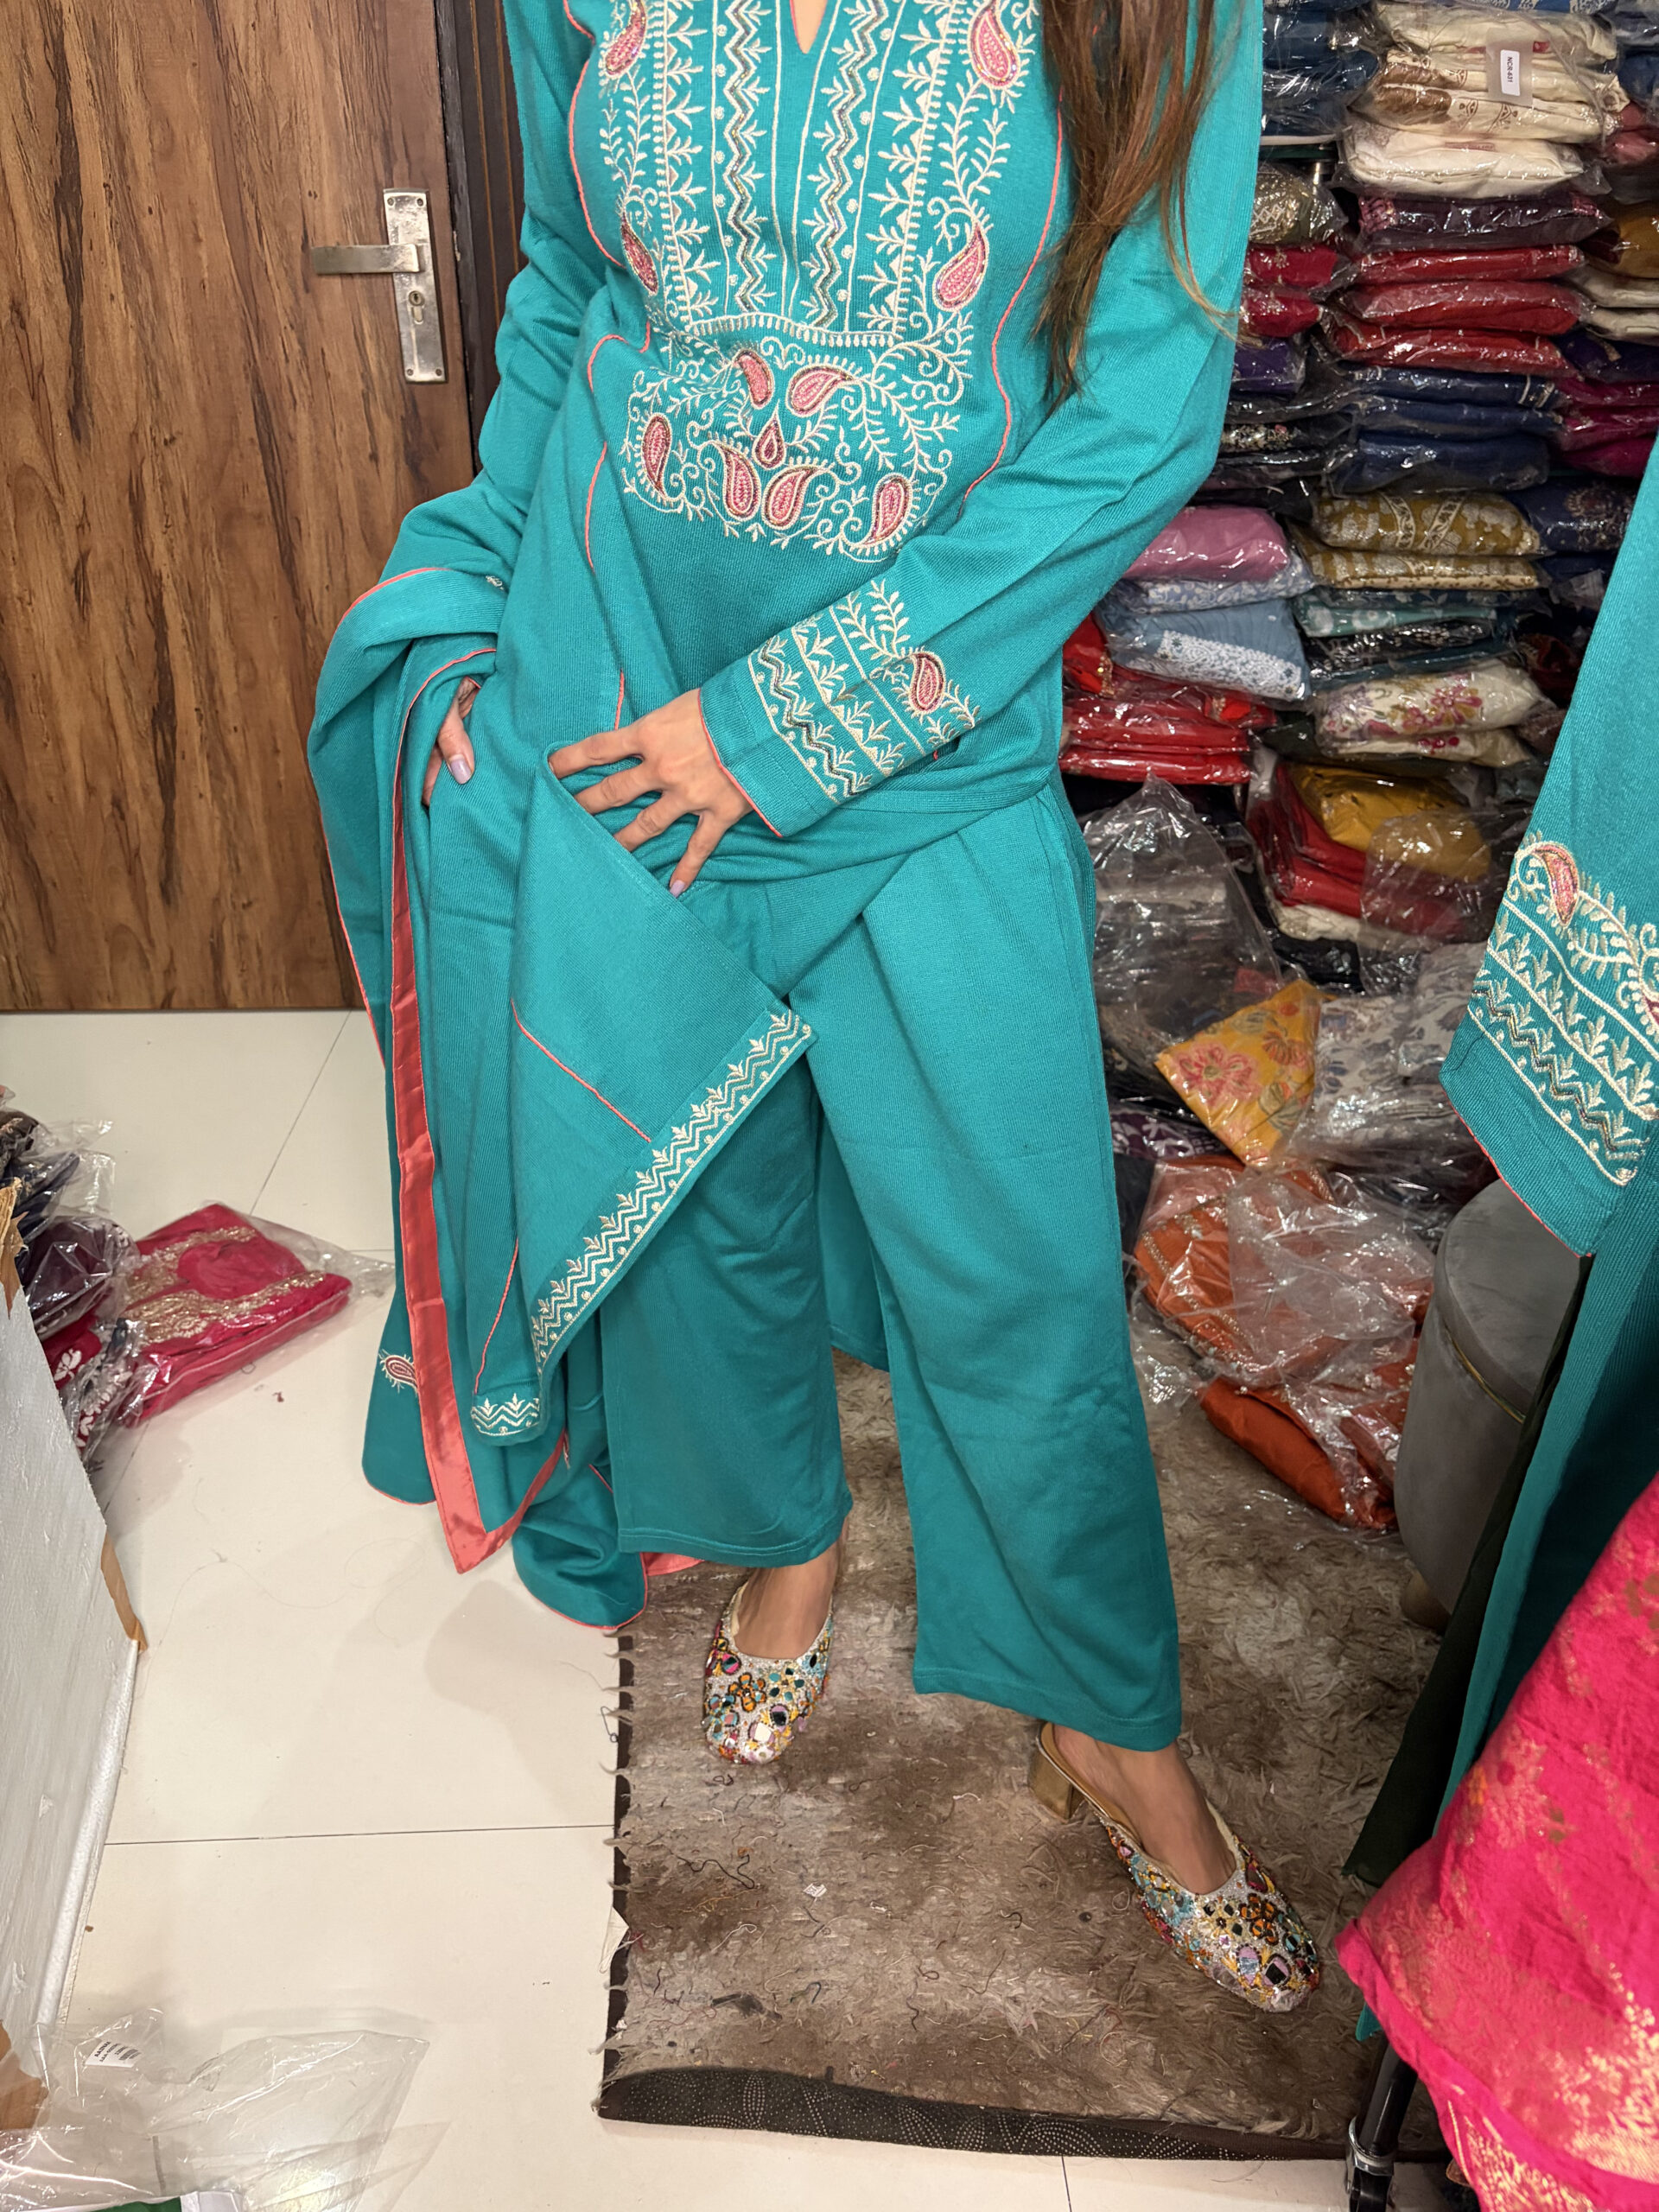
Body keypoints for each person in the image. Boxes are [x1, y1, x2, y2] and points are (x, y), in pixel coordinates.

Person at [309, 0, 1317, 2012]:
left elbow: (1142, 408)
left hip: (915, 737)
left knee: (1018, 1262)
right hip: (611, 701)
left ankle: (1108, 1722)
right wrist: (486, 607)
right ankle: (784, 1535)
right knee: (699, 1198)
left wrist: (779, 726)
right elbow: (568, 286)